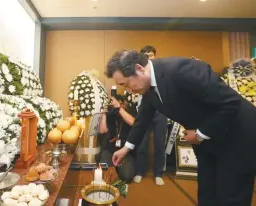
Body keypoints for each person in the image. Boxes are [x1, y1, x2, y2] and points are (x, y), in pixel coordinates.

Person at [105, 49, 256, 206]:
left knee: (230, 196)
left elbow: (230, 103)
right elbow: (142, 120)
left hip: (238, 136)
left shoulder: (182, 69)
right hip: (208, 142)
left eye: (126, 84)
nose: (129, 90)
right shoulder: (148, 87)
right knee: (206, 193)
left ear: (139, 69)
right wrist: (126, 149)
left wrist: (200, 134)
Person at [133, 45, 167, 185]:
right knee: (142, 143)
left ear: (155, 56)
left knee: (160, 143)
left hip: (161, 111)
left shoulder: (161, 72)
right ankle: (139, 171)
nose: (148, 57)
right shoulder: (137, 72)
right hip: (144, 110)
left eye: (151, 55)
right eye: (145, 55)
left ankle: (158, 173)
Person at [97, 95, 137, 183]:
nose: (117, 106)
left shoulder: (128, 114)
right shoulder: (111, 115)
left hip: (124, 151)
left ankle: (119, 167)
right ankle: (115, 167)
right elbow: (103, 131)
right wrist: (104, 114)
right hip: (110, 149)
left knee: (127, 176)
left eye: (121, 104)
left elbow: (133, 122)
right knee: (104, 173)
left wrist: (119, 108)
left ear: (124, 104)